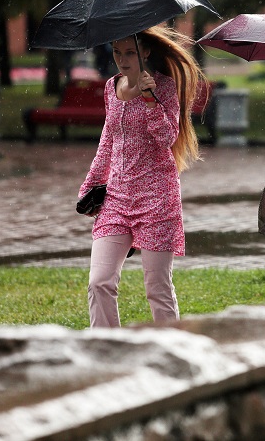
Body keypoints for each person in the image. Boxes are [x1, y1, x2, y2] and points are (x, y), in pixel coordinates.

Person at [79, 25, 203, 328]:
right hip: (116, 199)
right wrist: (90, 184)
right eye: (117, 52)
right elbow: (108, 141)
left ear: (145, 51)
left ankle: (170, 348)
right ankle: (106, 348)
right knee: (99, 282)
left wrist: (149, 97)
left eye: (130, 52)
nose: (122, 59)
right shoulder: (112, 87)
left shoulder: (163, 87)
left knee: (157, 289)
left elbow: (167, 136)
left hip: (157, 199)